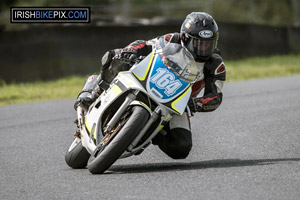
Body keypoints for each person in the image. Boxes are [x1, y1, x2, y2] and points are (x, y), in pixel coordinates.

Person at [74, 12, 226, 159]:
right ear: (185, 38)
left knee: (181, 147)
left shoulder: (215, 64)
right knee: (114, 57)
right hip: (148, 79)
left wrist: (196, 103)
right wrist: (129, 51)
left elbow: (215, 97)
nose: (203, 49)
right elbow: (145, 45)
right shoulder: (171, 39)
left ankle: (152, 132)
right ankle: (95, 92)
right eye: (198, 43)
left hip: (177, 104)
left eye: (208, 44)